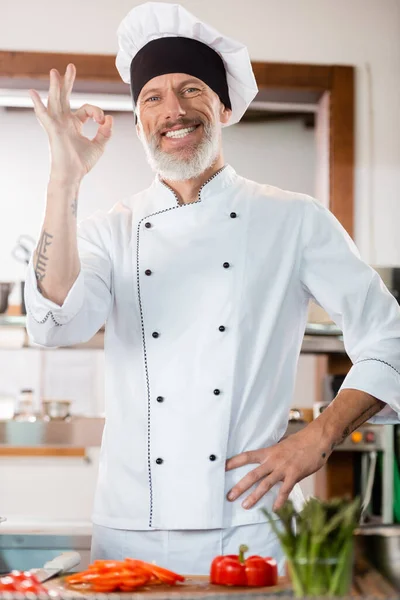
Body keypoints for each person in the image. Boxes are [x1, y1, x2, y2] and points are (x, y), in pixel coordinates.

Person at [25, 1, 400, 575]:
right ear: (140, 119)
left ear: (223, 106)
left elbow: (388, 338)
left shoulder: (293, 218)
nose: (172, 110)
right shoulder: (109, 229)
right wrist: (65, 175)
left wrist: (319, 436)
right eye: (152, 96)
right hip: (131, 524)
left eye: (192, 89)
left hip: (250, 519)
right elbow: (54, 324)